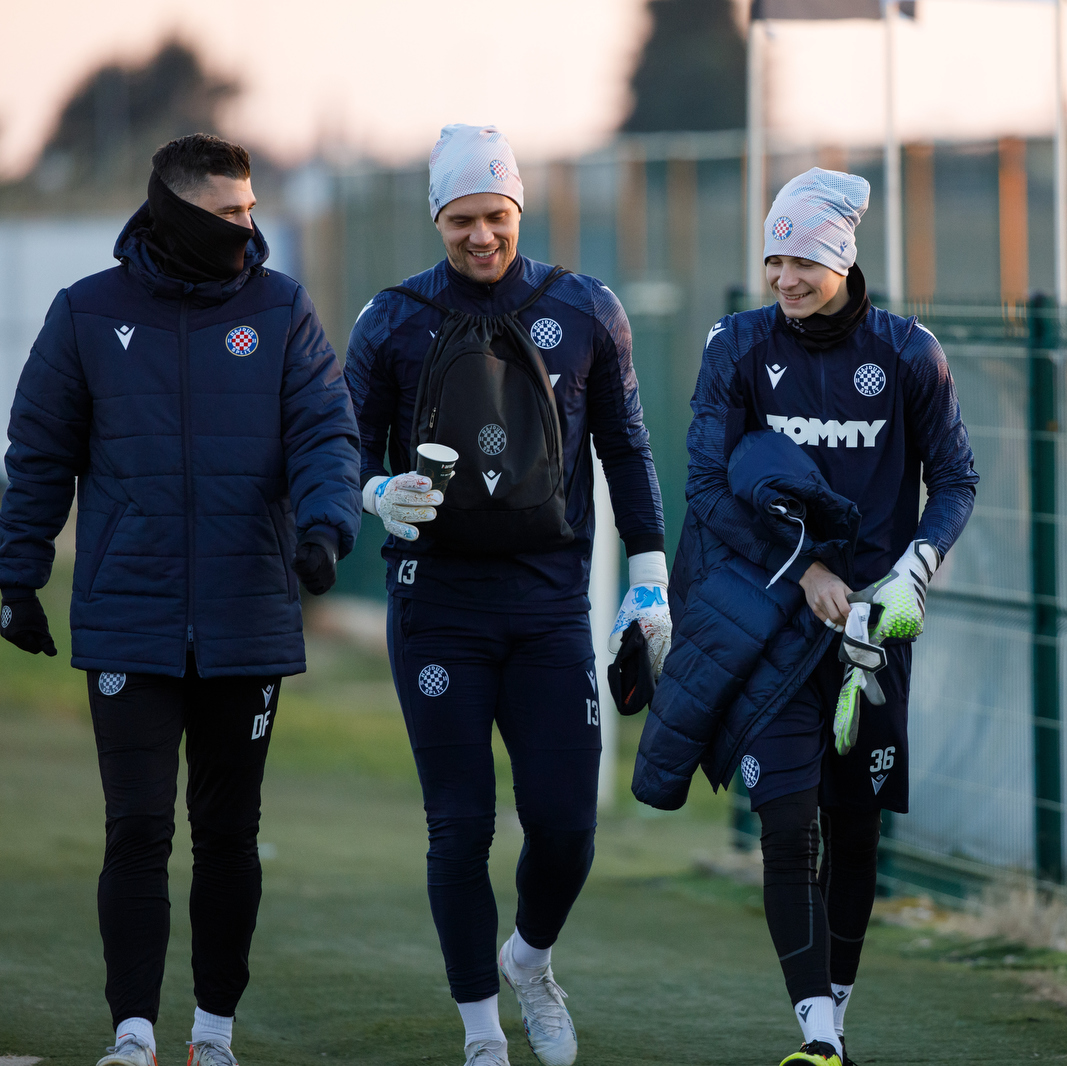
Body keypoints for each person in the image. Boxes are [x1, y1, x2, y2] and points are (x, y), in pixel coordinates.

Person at [0, 134, 360, 1066]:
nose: (250, 226)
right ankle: (132, 1035)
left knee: (229, 834)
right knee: (136, 829)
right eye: (230, 212)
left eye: (252, 208)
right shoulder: (85, 313)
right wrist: (15, 574)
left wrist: (325, 529)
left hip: (248, 618)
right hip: (130, 615)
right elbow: (38, 454)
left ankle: (213, 1034)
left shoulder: (281, 309)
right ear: (176, 214)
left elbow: (327, 430)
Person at [632, 167, 978, 1066]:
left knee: (856, 832)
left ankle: (835, 1008)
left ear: (844, 259)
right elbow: (707, 485)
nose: (785, 278)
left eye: (804, 260)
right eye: (774, 257)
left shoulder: (908, 354)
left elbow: (958, 480)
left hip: (872, 633)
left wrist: (912, 571)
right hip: (774, 628)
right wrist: (807, 570)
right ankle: (818, 1035)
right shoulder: (737, 347)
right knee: (788, 827)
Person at [343, 124, 669, 1066]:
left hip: (548, 600)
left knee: (567, 826)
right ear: (435, 218)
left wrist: (649, 581)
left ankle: (530, 960)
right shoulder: (394, 318)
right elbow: (342, 444)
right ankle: (482, 1033)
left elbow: (628, 448)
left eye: (494, 216)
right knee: (460, 823)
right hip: (437, 601)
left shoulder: (585, 308)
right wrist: (374, 493)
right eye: (460, 221)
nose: (480, 237)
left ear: (517, 208)